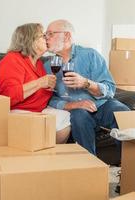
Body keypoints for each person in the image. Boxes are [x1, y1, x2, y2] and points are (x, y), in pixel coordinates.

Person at [44, 19, 130, 154]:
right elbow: (48, 99)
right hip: (77, 109)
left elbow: (110, 89)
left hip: (102, 104)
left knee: (123, 113)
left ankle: (129, 163)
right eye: (45, 35)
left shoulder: (90, 55)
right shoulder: (48, 66)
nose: (46, 38)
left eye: (50, 34)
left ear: (66, 36)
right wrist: (73, 105)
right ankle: (90, 167)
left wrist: (87, 83)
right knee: (79, 118)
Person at [0, 23, 71, 144]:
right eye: (42, 36)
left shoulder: (38, 63)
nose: (47, 38)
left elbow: (42, 90)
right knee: (52, 121)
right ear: (30, 40)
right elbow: (7, 96)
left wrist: (48, 86)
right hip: (18, 111)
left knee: (64, 117)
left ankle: (51, 154)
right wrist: (39, 83)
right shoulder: (12, 60)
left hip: (37, 110)